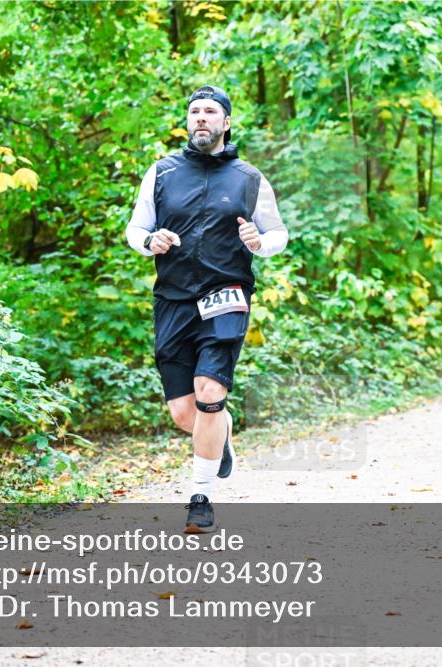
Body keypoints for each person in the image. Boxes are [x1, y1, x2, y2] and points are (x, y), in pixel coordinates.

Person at [126, 85, 288, 532]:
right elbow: (135, 228)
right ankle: (222, 438)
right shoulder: (161, 172)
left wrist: (261, 242)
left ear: (226, 122)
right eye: (194, 111)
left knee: (210, 392)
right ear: (187, 120)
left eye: (210, 111)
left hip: (226, 295)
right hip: (173, 300)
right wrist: (148, 241)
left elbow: (278, 233)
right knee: (184, 413)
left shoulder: (249, 178)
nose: (201, 117)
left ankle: (201, 498)